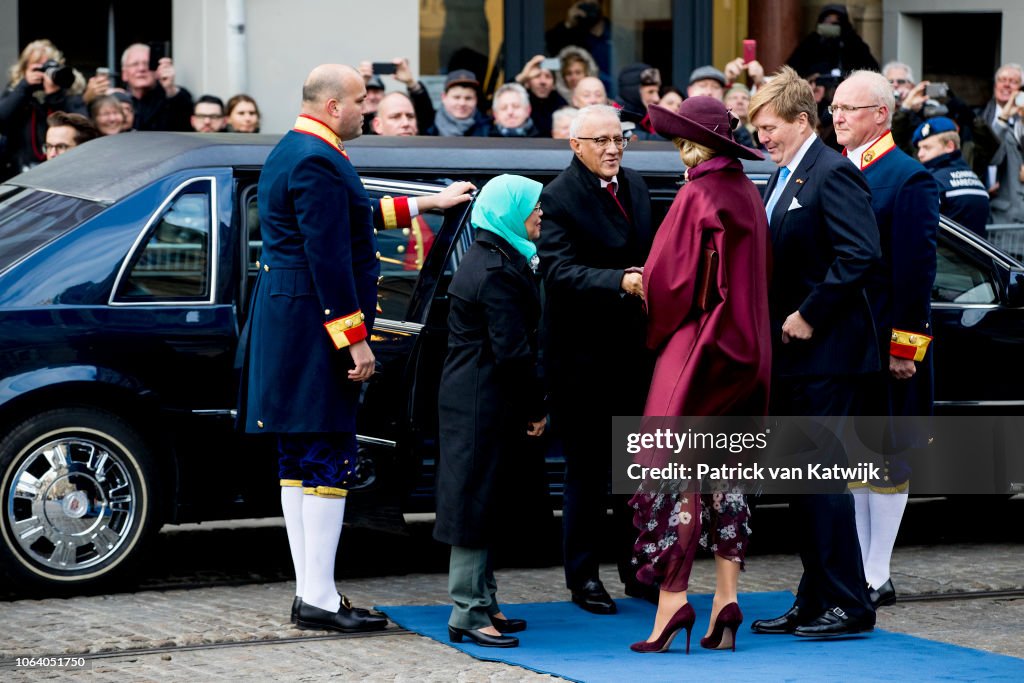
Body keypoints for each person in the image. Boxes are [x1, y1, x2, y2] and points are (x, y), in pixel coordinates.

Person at [240, 63, 473, 633]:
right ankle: (318, 598)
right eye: (360, 101)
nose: (367, 110)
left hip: (291, 323)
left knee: (299, 459)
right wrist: (355, 342)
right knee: (325, 456)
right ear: (331, 105)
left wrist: (428, 204)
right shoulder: (319, 158)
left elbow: (356, 214)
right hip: (316, 328)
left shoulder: (297, 149)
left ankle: (312, 592)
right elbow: (329, 255)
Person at [628, 99, 770, 654]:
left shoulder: (696, 194)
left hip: (699, 350)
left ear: (692, 143)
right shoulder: (748, 193)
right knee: (728, 476)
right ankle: (726, 604)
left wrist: (643, 288)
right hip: (750, 353)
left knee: (670, 472)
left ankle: (671, 605)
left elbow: (669, 285)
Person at [748, 66, 879, 638]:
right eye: (758, 131)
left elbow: (859, 255)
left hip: (827, 352)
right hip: (796, 358)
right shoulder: (785, 175)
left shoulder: (831, 173)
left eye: (770, 128)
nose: (764, 140)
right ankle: (814, 598)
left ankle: (849, 605)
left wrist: (808, 313)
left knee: (820, 481)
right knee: (803, 484)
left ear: (804, 121)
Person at [537, 104, 654, 615]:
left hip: (633, 356)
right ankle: (583, 578)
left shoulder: (637, 185)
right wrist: (620, 282)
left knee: (634, 470)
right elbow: (558, 272)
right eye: (601, 141)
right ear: (576, 146)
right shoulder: (558, 196)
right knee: (586, 475)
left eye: (619, 139)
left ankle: (637, 572)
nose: (612, 149)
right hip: (581, 360)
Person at [832, 70, 939, 610]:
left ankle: (878, 571)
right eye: (833, 109)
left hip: (884, 342)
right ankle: (859, 565)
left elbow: (915, 272)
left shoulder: (906, 176)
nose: (839, 118)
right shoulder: (835, 170)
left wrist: (904, 348)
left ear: (881, 114)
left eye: (849, 109)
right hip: (843, 342)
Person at [435, 174, 547, 650]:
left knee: (486, 497)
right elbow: (512, 352)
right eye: (534, 206)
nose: (541, 213)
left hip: (480, 395)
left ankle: (485, 600)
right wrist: (535, 405)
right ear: (509, 212)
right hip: (482, 398)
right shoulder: (496, 270)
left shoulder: (495, 255)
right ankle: (467, 612)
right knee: (473, 501)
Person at [0, 39, 87, 179]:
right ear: (24, 70)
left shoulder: (69, 92)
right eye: (38, 68)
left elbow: (82, 129)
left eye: (48, 68)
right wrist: (24, 88)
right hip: (19, 171)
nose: (43, 75)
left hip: (60, 171)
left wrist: (55, 95)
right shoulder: (16, 92)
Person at [914, 117, 990, 237]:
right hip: (975, 255)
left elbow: (918, 229)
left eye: (927, 147)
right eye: (919, 148)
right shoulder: (976, 180)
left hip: (940, 255)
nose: (920, 154)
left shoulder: (932, 181)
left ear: (949, 146)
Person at [971, 63, 1024, 223]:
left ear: (1021, 89)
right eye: (1002, 80)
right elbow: (987, 155)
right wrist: (1003, 119)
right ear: (995, 85)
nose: (1006, 84)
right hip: (992, 204)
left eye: (1013, 81)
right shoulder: (978, 116)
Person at [786, 4, 879, 79]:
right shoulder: (811, 43)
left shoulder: (854, 43)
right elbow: (791, 69)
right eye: (826, 23)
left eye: (835, 24)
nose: (830, 27)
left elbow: (872, 69)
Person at [120, 43, 193, 131]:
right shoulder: (116, 99)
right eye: (135, 64)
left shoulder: (172, 96)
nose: (141, 69)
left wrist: (170, 89)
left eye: (147, 63)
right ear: (124, 74)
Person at [546, 1, 612, 91]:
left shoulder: (617, 34)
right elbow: (551, 56)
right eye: (584, 5)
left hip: (610, 91)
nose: (588, 10)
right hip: (579, 93)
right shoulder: (572, 35)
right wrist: (568, 24)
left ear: (601, 4)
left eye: (591, 5)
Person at [512, 55, 568, 137]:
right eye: (537, 76)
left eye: (548, 76)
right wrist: (523, 76)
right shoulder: (519, 100)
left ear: (553, 84)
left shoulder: (561, 105)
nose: (542, 81)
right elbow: (502, 97)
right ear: (527, 83)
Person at [426, 69, 491, 137]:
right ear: (444, 98)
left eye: (468, 98)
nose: (462, 103)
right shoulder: (429, 126)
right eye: (456, 97)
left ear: (476, 99)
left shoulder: (489, 129)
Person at [616, 64, 661, 139]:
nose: (657, 98)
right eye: (650, 92)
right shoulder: (615, 120)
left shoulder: (648, 119)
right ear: (633, 92)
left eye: (657, 92)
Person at [724, 83, 757, 148]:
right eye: (734, 98)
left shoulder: (759, 131)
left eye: (744, 98)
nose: (740, 101)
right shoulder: (718, 129)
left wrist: (739, 130)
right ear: (725, 104)